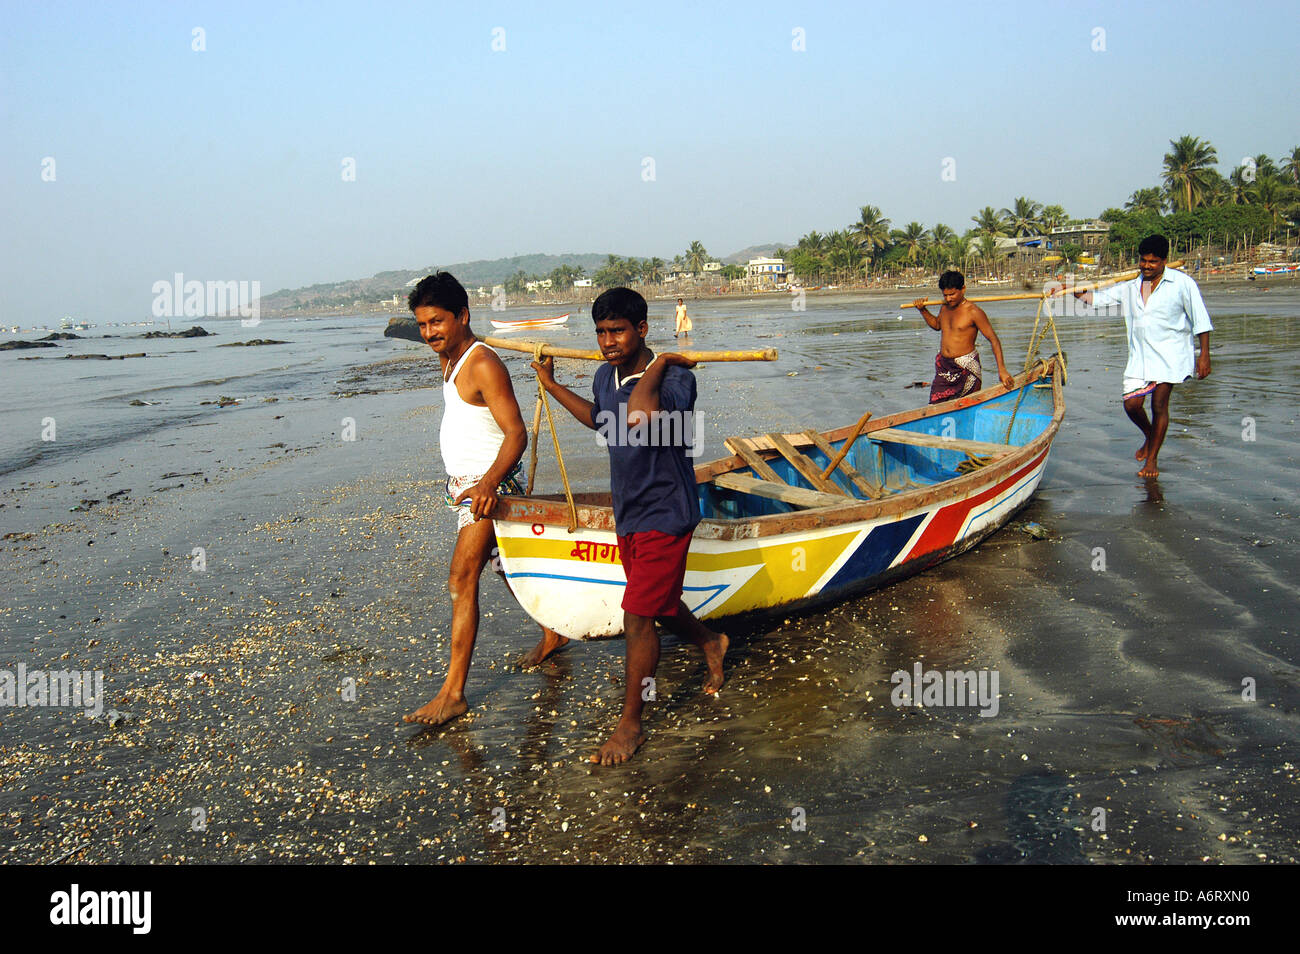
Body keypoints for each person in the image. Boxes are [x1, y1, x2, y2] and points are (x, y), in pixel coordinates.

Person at [531, 287, 727, 765]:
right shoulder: (604, 375)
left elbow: (640, 415)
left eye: (617, 331)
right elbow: (605, 422)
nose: (607, 341)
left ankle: (631, 726)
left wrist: (658, 365)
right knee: (655, 601)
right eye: (600, 332)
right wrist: (551, 386)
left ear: (641, 329)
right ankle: (711, 641)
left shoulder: (676, 378)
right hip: (630, 511)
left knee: (637, 614)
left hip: (667, 511)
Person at [403, 272, 567, 728]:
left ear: (463, 316)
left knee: (462, 578)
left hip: (487, 491)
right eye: (422, 325)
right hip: (467, 488)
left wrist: (489, 484)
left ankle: (453, 694)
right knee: (506, 567)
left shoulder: (482, 364)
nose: (429, 333)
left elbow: (517, 432)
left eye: (437, 322)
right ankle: (553, 631)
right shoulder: (451, 358)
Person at [1072, 234, 1212, 478]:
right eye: (1143, 261)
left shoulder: (1182, 283)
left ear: (1164, 261)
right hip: (1140, 357)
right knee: (1132, 404)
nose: (1147, 266)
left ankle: (1152, 460)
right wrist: (1078, 293)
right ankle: (1150, 435)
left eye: (1153, 262)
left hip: (1171, 356)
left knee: (1159, 405)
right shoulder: (1132, 285)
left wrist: (1204, 356)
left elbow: (1200, 320)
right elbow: (1100, 299)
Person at [912, 270, 1015, 403]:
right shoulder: (944, 308)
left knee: (966, 405)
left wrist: (1002, 370)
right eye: (945, 295)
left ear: (963, 289)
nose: (948, 299)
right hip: (944, 368)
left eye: (952, 294)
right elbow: (937, 325)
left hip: (966, 368)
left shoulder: (973, 312)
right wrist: (923, 310)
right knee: (935, 405)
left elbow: (993, 340)